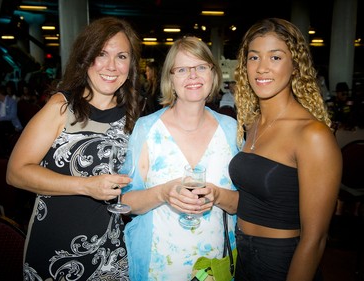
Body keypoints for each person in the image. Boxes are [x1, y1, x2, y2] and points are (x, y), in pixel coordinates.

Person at [6, 16, 141, 280]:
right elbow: (16, 172)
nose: (112, 66)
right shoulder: (61, 106)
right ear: (85, 57)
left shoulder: (137, 116)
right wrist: (85, 186)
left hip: (112, 253)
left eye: (122, 56)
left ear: (131, 64)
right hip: (55, 248)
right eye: (101, 54)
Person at [228, 18, 342, 281]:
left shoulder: (313, 135)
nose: (262, 68)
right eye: (254, 57)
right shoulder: (252, 124)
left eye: (275, 57)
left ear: (295, 66)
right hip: (241, 257)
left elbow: (315, 240)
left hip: (282, 263)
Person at [121, 36, 239, 280]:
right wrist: (163, 193)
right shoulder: (146, 129)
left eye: (201, 67)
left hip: (216, 266)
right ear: (170, 80)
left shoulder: (231, 129)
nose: (193, 75)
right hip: (157, 267)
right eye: (182, 69)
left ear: (213, 74)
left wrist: (217, 195)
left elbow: (243, 203)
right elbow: (125, 202)